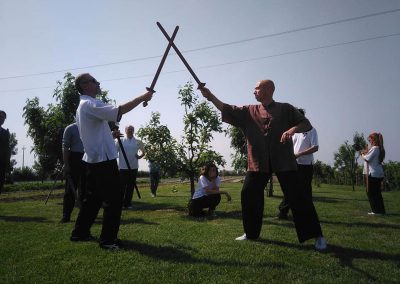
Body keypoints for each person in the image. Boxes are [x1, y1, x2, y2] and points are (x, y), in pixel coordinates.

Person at [200, 79, 327, 250]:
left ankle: (316, 236)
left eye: (257, 88)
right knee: (248, 193)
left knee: (299, 197)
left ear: (268, 89)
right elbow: (228, 109)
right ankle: (251, 233)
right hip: (258, 162)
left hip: (284, 161)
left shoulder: (286, 108)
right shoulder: (249, 111)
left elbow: (306, 124)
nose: (254, 91)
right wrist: (211, 97)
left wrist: (292, 129)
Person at [70, 73, 153, 250]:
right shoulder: (90, 104)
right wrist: (143, 97)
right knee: (114, 199)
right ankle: (108, 240)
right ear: (84, 85)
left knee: (93, 199)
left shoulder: (83, 106)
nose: (97, 82)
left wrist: (110, 135)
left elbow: (93, 133)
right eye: (93, 80)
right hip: (103, 160)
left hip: (93, 159)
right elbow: (119, 110)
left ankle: (80, 232)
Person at [277, 108, 319, 219]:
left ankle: (308, 214)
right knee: (289, 188)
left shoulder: (311, 130)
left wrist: (299, 154)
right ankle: (283, 212)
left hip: (305, 165)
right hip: (292, 163)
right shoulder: (293, 131)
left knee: (305, 190)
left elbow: (315, 147)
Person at [61, 122, 86, 223]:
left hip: (87, 158)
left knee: (85, 188)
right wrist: (66, 164)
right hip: (74, 158)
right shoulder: (70, 128)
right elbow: (65, 147)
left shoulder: (89, 126)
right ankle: (66, 215)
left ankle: (84, 214)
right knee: (70, 190)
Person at [115, 125, 144, 208]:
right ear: (125, 130)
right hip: (123, 167)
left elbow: (143, 152)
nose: (130, 131)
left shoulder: (138, 141)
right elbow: (114, 151)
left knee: (130, 186)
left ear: (133, 131)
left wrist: (140, 156)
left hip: (134, 167)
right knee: (122, 187)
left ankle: (127, 204)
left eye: (132, 129)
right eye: (128, 129)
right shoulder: (120, 141)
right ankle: (120, 204)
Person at [360, 132, 386, 215]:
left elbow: (367, 158)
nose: (369, 141)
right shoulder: (378, 148)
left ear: (374, 140)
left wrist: (362, 154)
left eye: (370, 139)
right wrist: (365, 152)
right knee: (376, 193)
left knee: (371, 192)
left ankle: (376, 211)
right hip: (377, 173)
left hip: (373, 174)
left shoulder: (375, 148)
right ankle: (380, 210)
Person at [0, 110, 11, 194]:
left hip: (2, 163)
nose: (2, 119)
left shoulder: (5, 133)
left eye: (4, 118)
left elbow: (7, 149)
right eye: (1, 117)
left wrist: (8, 163)